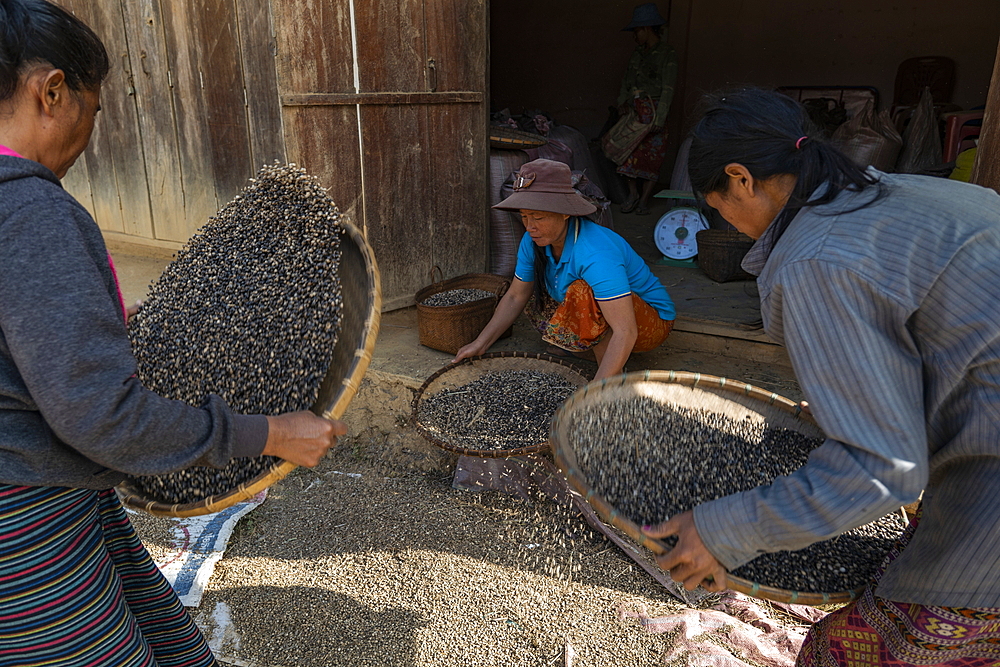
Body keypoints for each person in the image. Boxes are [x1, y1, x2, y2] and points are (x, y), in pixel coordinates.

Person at [0, 2, 346, 665]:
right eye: (92, 112)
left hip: (58, 494)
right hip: (23, 529)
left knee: (168, 638)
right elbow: (103, 415)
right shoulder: (32, 212)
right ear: (51, 91)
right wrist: (269, 431)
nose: (89, 136)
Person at [641, 87, 1000, 666]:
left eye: (716, 205)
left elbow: (883, 466)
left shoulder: (816, 258)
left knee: (849, 650)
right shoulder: (906, 192)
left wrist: (721, 531)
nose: (724, 221)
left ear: (741, 180)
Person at [453, 159, 675, 380]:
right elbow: (515, 296)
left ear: (566, 213)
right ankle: (590, 352)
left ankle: (610, 373)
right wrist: (480, 344)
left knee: (583, 292)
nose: (530, 226)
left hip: (648, 324)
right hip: (613, 319)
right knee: (531, 288)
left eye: (538, 217)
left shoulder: (595, 252)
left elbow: (626, 331)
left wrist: (596, 390)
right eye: (524, 216)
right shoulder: (533, 241)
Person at [614, 2, 677, 216]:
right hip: (635, 112)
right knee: (627, 152)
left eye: (637, 31)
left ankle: (644, 200)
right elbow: (626, 81)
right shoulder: (637, 54)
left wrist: (660, 118)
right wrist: (622, 102)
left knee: (652, 157)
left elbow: (668, 88)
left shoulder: (667, 54)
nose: (635, 36)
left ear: (647, 29)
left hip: (655, 111)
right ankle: (633, 194)